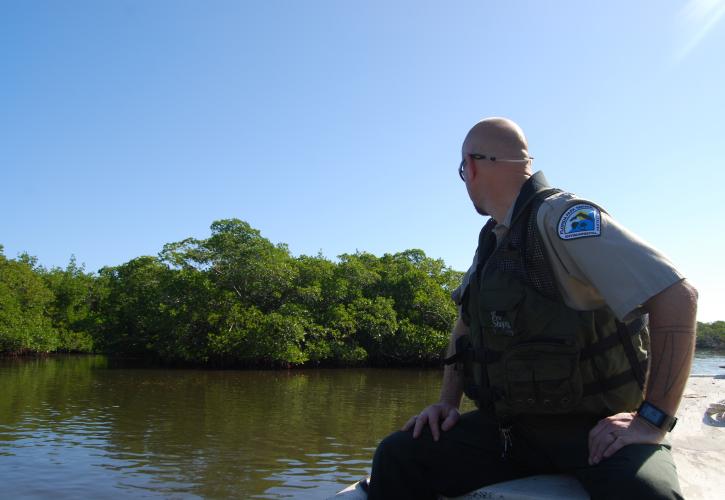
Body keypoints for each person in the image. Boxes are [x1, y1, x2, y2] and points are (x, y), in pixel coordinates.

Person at [366, 117, 697, 499]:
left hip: (597, 434)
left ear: (471, 166)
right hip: (511, 434)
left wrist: (651, 420)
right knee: (399, 456)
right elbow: (465, 327)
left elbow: (677, 295)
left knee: (646, 494)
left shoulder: (561, 219)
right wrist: (446, 404)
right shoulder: (493, 240)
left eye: (461, 170)